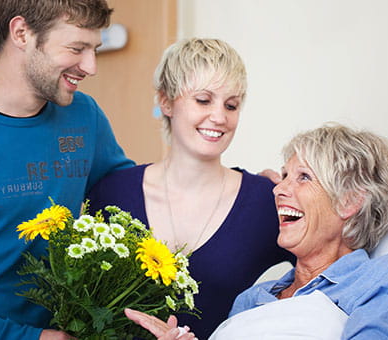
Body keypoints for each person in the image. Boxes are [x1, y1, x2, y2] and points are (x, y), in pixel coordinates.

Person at [0, 1, 135, 339]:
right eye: (77, 48)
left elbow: (133, 193)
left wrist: (241, 186)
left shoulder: (85, 116)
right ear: (21, 32)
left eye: (94, 49)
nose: (91, 66)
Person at [124, 123, 388, 339]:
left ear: (350, 201)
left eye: (303, 177)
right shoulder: (253, 299)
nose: (279, 189)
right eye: (284, 176)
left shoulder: (386, 278)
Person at [86, 38, 294, 338]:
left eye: (231, 105)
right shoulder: (112, 194)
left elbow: (329, 276)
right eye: (203, 100)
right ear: (166, 101)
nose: (220, 117)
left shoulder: (264, 200)